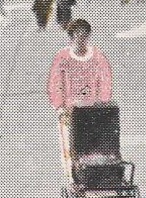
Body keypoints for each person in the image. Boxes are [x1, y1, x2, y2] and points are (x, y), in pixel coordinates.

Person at [47, 18, 113, 164]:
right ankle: (72, 180)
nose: (81, 38)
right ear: (72, 36)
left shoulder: (97, 56)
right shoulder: (62, 57)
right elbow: (55, 83)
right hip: (70, 111)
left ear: (88, 36)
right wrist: (60, 108)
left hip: (93, 110)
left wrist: (102, 103)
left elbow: (105, 81)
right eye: (78, 34)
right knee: (70, 150)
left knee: (94, 149)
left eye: (85, 34)